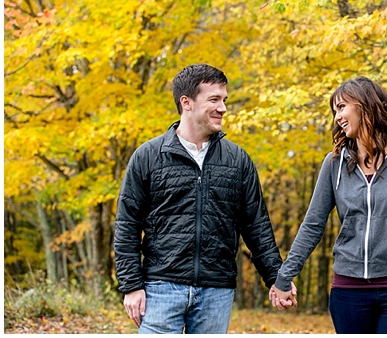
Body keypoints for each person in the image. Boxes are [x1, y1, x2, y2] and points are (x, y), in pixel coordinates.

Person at [113, 63, 296, 333]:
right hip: (161, 288)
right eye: (214, 99)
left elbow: (256, 226)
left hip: (216, 291)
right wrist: (131, 286)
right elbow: (127, 225)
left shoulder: (237, 160)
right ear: (186, 102)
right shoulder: (148, 156)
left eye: (224, 100)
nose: (223, 108)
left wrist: (275, 278)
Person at [270, 76, 387, 334]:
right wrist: (284, 275)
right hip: (349, 290)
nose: (337, 117)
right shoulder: (334, 164)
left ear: (365, 105)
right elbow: (313, 225)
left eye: (342, 107)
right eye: (335, 111)